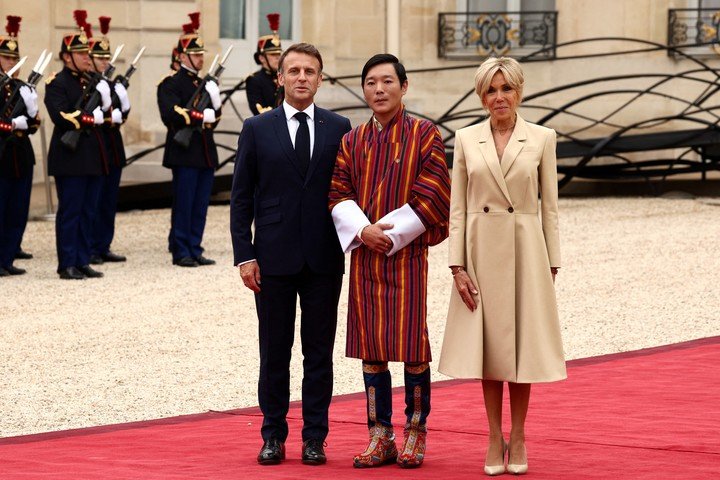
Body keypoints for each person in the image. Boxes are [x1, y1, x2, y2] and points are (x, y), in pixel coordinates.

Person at [438, 56, 566, 476]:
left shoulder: (543, 138)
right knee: (489, 347)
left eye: (506, 89)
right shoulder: (465, 138)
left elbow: (551, 207)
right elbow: (457, 207)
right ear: (481, 95)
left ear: (519, 91)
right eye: (491, 90)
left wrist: (552, 262)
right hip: (479, 251)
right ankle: (494, 435)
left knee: (523, 347)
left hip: (527, 249)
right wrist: (456, 264)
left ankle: (521, 433)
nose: (499, 97)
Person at [231, 42, 351, 467]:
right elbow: (241, 198)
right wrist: (244, 255)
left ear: (321, 79)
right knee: (274, 351)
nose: (302, 77)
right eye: (294, 71)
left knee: (318, 353)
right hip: (273, 259)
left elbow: (350, 194)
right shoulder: (257, 128)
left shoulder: (340, 128)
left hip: (323, 259)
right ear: (279, 78)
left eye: (310, 71)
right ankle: (272, 435)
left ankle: (315, 437)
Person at [328, 53, 451, 469]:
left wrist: (392, 235)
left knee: (413, 344)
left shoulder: (424, 134)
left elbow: (434, 190)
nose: (378, 90)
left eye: (386, 82)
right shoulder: (352, 140)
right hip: (365, 255)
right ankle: (379, 435)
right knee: (372, 348)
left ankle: (416, 431)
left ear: (404, 86)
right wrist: (364, 232)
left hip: (407, 255)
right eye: (370, 83)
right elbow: (338, 192)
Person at [44, 9, 108, 280]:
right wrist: (88, 117)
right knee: (70, 212)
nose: (87, 57)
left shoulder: (93, 81)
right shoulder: (56, 83)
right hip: (69, 157)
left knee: (88, 211)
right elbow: (60, 115)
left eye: (87, 54)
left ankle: (82, 259)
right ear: (66, 57)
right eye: (81, 54)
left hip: (91, 156)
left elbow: (107, 112)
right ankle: (67, 262)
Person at [157, 12, 221, 267]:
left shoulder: (205, 83)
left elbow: (214, 118)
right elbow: (170, 113)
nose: (200, 58)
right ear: (182, 56)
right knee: (184, 203)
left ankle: (195, 247)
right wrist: (198, 115)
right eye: (195, 54)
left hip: (205, 150)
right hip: (184, 151)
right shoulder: (170, 83)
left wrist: (214, 104)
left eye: (201, 54)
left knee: (200, 204)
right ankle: (181, 249)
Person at [87, 16, 129, 265]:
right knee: (94, 199)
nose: (105, 62)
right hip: (95, 146)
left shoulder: (110, 84)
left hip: (112, 146)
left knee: (109, 200)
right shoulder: (88, 85)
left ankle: (104, 244)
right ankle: (90, 246)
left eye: (107, 58)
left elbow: (121, 114)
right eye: (101, 58)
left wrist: (122, 106)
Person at [0, 15, 40, 276]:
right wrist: (13, 124)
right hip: (1, 156)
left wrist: (31, 112)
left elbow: (34, 124)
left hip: (21, 155)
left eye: (15, 59)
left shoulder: (21, 87)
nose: (12, 62)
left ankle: (6, 258)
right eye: (7, 58)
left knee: (17, 210)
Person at [245, 13, 283, 116]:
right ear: (262, 58)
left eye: (279, 54)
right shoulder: (254, 80)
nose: (277, 57)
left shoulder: (285, 77)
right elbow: (260, 112)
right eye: (272, 54)